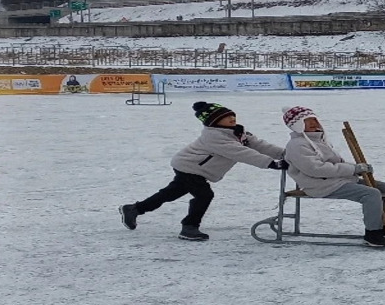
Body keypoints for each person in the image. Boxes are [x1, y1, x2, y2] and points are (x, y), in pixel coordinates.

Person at [119, 101, 287, 241]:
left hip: (196, 168)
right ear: (213, 122)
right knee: (204, 195)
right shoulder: (214, 137)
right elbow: (242, 153)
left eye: (232, 115)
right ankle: (189, 227)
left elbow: (260, 145)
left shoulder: (238, 133)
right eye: (226, 117)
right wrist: (272, 164)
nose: (232, 118)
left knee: (169, 193)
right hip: (190, 167)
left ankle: (134, 209)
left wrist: (285, 154)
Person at [281, 106, 385, 247]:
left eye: (314, 119)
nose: (313, 123)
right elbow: (316, 169)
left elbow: (335, 164)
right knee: (371, 194)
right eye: (307, 121)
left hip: (338, 181)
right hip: (320, 185)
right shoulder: (297, 145)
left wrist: (357, 169)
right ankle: (373, 234)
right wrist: (353, 169)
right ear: (297, 125)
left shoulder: (319, 140)